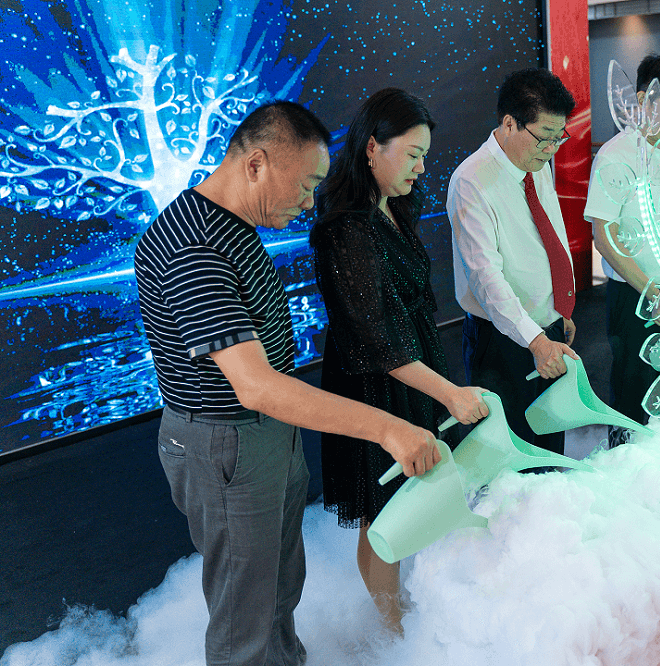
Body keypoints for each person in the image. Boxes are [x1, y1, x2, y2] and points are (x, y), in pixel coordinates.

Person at [134, 101, 441, 666]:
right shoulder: (193, 246)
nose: (308, 203)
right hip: (228, 441)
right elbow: (254, 386)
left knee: (278, 587)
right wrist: (387, 429)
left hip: (266, 434)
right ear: (256, 164)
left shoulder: (233, 223)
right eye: (304, 186)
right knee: (243, 619)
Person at [309, 88, 488, 634]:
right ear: (372, 147)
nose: (421, 168)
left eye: (424, 156)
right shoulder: (347, 228)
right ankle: (391, 630)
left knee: (405, 505)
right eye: (412, 154)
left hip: (411, 372)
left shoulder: (391, 208)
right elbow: (376, 341)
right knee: (384, 514)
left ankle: (398, 610)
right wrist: (450, 394)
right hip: (374, 386)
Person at [448, 68, 579, 455]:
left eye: (559, 137)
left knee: (551, 447)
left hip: (548, 329)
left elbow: (550, 237)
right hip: (502, 340)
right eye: (545, 136)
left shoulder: (537, 164)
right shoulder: (472, 181)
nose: (552, 148)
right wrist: (536, 341)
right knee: (511, 457)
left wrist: (559, 309)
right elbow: (486, 280)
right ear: (509, 123)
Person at [584, 52, 660, 448]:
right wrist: (651, 290)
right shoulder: (616, 155)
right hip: (635, 294)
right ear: (642, 99)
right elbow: (604, 236)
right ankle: (624, 468)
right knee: (634, 389)